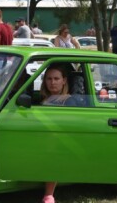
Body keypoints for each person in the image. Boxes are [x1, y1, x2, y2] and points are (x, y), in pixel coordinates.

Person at [38, 64, 76, 203]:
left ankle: (49, 195)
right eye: (49, 79)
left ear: (64, 80)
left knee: (52, 149)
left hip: (61, 142)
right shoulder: (42, 99)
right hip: (41, 138)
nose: (52, 82)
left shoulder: (70, 100)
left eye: (56, 78)